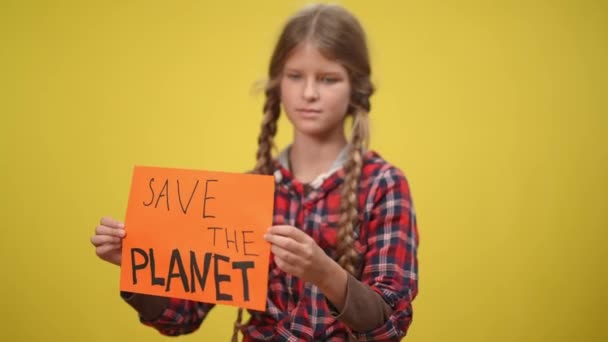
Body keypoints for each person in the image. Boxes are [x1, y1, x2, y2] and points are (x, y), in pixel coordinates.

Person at [91, 3, 419, 341]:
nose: (309, 93)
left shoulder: (383, 185)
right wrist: (134, 264)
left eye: (328, 79)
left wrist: (324, 273)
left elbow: (387, 327)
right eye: (295, 76)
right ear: (278, 84)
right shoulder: (248, 191)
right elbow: (183, 316)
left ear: (356, 88)